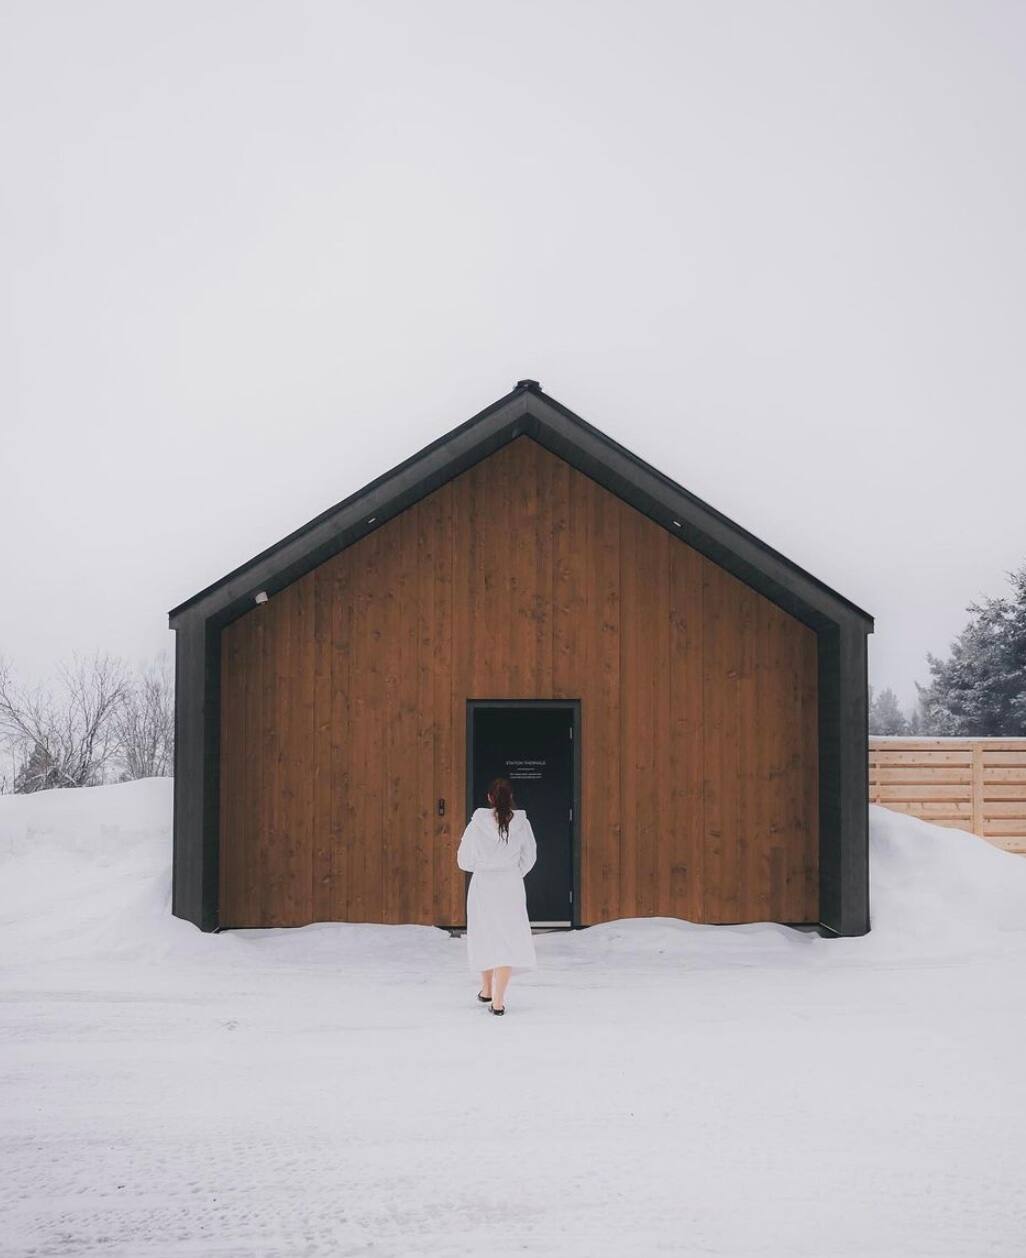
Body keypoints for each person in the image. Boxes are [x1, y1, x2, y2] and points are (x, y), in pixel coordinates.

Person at [456, 776, 538, 1015]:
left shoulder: (476, 824)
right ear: (510, 798)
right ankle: (497, 1001)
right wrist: (512, 872)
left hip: (484, 885)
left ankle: (486, 989)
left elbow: (463, 860)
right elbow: (530, 857)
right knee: (507, 938)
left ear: (489, 798)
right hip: (510, 884)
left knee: (485, 934)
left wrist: (483, 867)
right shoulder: (523, 824)